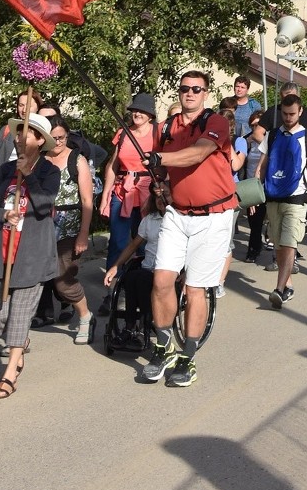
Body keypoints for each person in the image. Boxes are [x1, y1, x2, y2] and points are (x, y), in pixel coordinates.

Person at [142, 71, 237, 387]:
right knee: (161, 280)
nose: (190, 93)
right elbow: (161, 168)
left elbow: (197, 153)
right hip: (177, 214)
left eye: (196, 89)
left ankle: (188, 358)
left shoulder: (216, 123)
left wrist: (159, 157)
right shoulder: (166, 127)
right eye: (184, 89)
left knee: (196, 288)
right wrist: (158, 177)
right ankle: (163, 346)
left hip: (213, 217)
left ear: (205, 93)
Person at [0, 112, 60, 399]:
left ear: (40, 141)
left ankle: (9, 374)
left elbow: (44, 206)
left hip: (32, 256)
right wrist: (3, 213)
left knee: (18, 316)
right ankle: (19, 341)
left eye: (25, 133)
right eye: (17, 133)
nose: (18, 138)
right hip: (0, 252)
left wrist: (29, 175)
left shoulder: (49, 171)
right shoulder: (4, 170)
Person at [257, 93, 307, 309]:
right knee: (277, 244)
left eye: (292, 114)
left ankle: (279, 289)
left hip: (298, 198)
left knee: (289, 242)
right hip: (273, 196)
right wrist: (256, 193)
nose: (288, 117)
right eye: (284, 114)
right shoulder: (273, 135)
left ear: (301, 112)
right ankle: (289, 286)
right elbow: (262, 166)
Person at [97, 93, 158, 315]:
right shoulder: (123, 133)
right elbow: (112, 165)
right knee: (118, 241)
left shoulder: (158, 133)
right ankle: (112, 291)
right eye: (134, 110)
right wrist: (105, 196)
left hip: (148, 191)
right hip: (122, 190)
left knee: (145, 241)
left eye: (141, 110)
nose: (136, 114)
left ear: (150, 115)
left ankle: (142, 288)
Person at [45, 116, 95, 344]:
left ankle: (85, 315)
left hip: (70, 227)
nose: (57, 142)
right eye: (53, 138)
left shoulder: (78, 160)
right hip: (42, 227)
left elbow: (87, 200)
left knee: (63, 280)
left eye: (61, 137)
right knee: (34, 278)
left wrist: (83, 234)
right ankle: (18, 332)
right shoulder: (40, 160)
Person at [103, 179, 169, 350]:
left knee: (143, 279)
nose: (161, 199)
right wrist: (115, 266)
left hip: (168, 270)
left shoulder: (179, 219)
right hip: (148, 268)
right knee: (132, 276)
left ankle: (139, 327)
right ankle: (129, 326)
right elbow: (133, 245)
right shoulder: (150, 219)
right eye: (157, 196)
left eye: (165, 195)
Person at [242, 112, 268, 262]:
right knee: (254, 220)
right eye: (252, 125)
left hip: (267, 185)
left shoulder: (269, 141)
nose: (255, 128)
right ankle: (254, 248)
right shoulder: (247, 141)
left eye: (257, 125)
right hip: (251, 185)